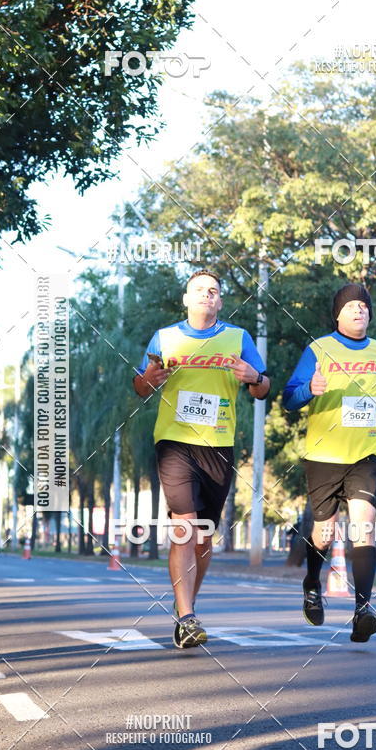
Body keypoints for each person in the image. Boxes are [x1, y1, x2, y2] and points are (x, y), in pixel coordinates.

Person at [133, 270, 270, 649]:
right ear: (186, 299)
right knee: (186, 526)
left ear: (220, 302)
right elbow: (140, 386)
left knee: (205, 537)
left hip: (218, 444)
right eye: (199, 290)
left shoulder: (238, 338)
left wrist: (254, 375)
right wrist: (149, 379)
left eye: (213, 292)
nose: (206, 296)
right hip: (175, 441)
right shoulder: (165, 337)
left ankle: (186, 608)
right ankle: (188, 616)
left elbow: (263, 388)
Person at [282, 283, 376, 642]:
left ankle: (363, 609)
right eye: (351, 306)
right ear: (337, 314)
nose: (358, 310)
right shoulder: (318, 349)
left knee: (365, 525)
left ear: (370, 313)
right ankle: (312, 584)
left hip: (366, 452)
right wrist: (310, 388)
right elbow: (288, 399)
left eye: (363, 306)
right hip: (324, 455)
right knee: (323, 534)